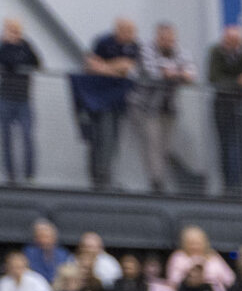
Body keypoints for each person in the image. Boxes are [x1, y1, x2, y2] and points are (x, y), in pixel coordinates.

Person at [77, 18, 142, 189]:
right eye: (128, 31)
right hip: (100, 99)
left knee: (114, 139)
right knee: (100, 138)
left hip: (120, 99)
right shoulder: (104, 42)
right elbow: (91, 64)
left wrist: (106, 67)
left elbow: (128, 67)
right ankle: (98, 177)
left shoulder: (134, 46)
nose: (132, 35)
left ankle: (107, 175)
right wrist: (114, 68)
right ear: (119, 30)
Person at [135, 22, 195, 192]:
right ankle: (156, 182)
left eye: (172, 40)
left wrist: (173, 73)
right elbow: (154, 72)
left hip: (169, 107)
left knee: (166, 146)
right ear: (158, 38)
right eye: (165, 39)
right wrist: (178, 73)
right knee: (153, 144)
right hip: (147, 106)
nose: (169, 43)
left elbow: (191, 74)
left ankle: (161, 179)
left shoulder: (181, 52)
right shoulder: (146, 50)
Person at [206, 24, 242, 194]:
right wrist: (238, 82)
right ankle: (229, 186)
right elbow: (214, 78)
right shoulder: (216, 52)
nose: (231, 44)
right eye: (228, 41)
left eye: (235, 41)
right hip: (223, 107)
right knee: (225, 147)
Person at [0, 18, 42, 183]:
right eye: (11, 29)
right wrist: (4, 42)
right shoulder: (1, 45)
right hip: (4, 97)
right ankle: (10, 175)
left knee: (27, 135)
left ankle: (29, 174)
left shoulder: (26, 45)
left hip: (23, 99)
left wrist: (20, 46)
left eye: (17, 29)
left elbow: (37, 62)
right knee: (6, 138)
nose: (14, 32)